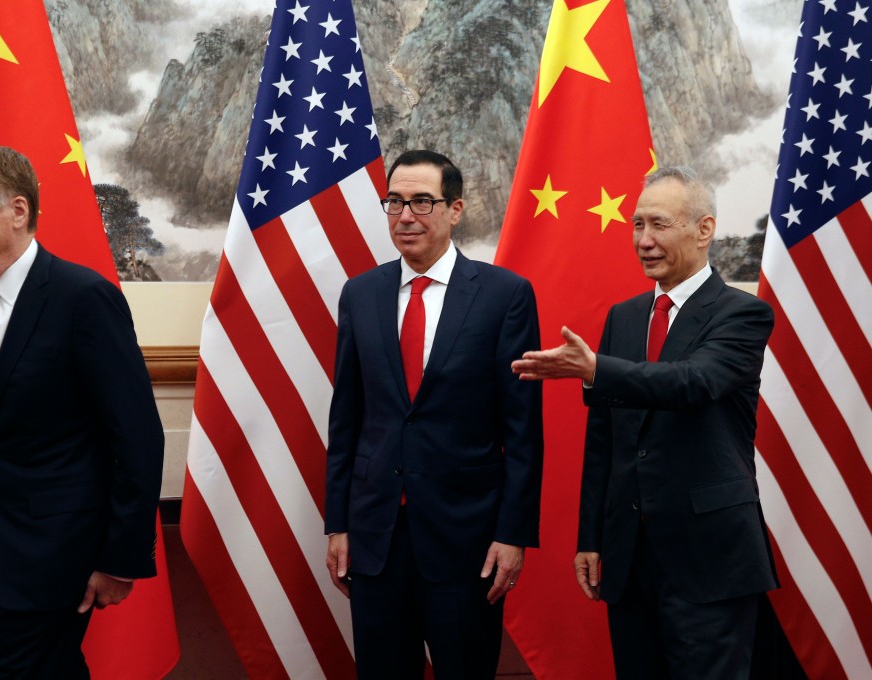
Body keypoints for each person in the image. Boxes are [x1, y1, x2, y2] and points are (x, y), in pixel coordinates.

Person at [512, 166, 778, 679]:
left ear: (703, 230)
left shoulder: (741, 314)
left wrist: (595, 370)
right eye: (637, 225)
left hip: (710, 563)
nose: (644, 241)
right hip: (629, 561)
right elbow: (605, 440)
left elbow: (693, 382)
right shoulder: (625, 317)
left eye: (658, 225)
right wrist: (591, 535)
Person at [0, 145, 164, 678]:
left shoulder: (83, 298)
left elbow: (137, 437)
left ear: (18, 210)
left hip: (58, 556)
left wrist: (121, 558)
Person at [324, 150, 543, 679]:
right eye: (395, 202)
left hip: (466, 542)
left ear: (455, 209)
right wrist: (338, 524)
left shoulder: (503, 296)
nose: (405, 216)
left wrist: (512, 535)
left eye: (423, 201)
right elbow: (347, 419)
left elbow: (523, 430)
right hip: (376, 539)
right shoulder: (361, 293)